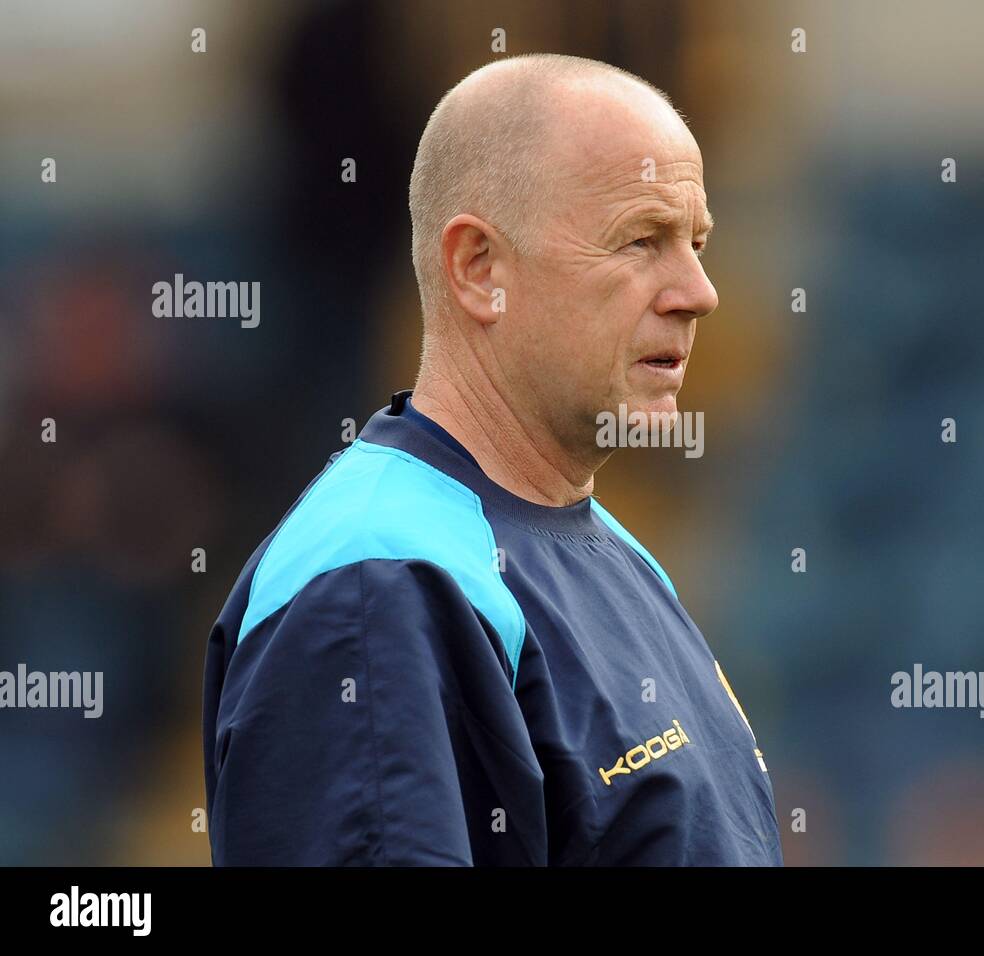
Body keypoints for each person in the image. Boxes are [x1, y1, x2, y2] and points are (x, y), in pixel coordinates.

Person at [202, 53, 782, 866]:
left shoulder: (615, 553)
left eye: (696, 241)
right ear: (480, 269)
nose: (699, 290)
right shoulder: (381, 580)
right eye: (642, 240)